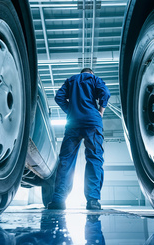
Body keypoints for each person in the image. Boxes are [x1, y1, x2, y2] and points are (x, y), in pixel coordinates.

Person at [47, 68, 110, 210]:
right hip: (92, 122)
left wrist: (71, 110)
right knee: (94, 159)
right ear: (91, 73)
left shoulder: (71, 80)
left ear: (82, 72)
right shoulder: (95, 80)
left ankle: (58, 200)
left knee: (66, 160)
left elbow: (59, 97)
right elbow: (105, 93)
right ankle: (92, 201)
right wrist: (100, 111)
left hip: (73, 123)